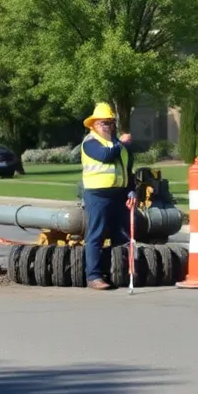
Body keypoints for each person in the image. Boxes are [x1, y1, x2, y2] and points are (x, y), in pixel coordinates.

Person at [79, 102, 135, 290]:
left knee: (122, 235)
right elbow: (105, 156)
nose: (108, 126)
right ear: (94, 124)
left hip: (119, 194)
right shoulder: (90, 142)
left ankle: (121, 272)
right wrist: (123, 143)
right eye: (104, 123)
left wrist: (131, 190)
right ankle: (93, 276)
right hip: (98, 195)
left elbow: (127, 169)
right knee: (96, 235)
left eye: (111, 123)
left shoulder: (117, 144)